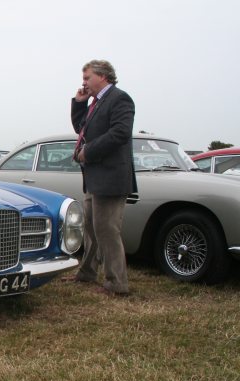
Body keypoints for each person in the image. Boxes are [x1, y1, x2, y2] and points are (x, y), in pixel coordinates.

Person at [70, 60, 137, 296]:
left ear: (103, 76)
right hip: (94, 177)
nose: (84, 82)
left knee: (107, 229)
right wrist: (79, 103)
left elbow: (120, 133)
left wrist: (89, 152)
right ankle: (88, 272)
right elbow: (82, 129)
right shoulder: (95, 104)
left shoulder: (120, 99)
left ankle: (116, 284)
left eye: (87, 77)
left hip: (111, 177)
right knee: (90, 226)